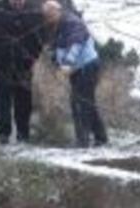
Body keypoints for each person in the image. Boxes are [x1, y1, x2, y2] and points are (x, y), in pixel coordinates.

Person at [42, 0, 108, 148]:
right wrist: (56, 63)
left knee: (80, 103)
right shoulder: (56, 26)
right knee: (86, 102)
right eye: (46, 16)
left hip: (87, 65)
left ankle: (82, 141)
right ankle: (101, 138)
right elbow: (56, 48)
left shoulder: (72, 22)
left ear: (57, 11)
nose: (48, 19)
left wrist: (67, 64)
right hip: (77, 69)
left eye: (50, 15)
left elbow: (75, 43)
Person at [0, 0, 45, 145]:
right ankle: (3, 133)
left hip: (25, 64)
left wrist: (35, 57)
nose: (18, 1)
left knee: (24, 100)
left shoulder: (34, 10)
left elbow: (40, 36)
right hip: (0, 62)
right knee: (2, 99)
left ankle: (23, 134)